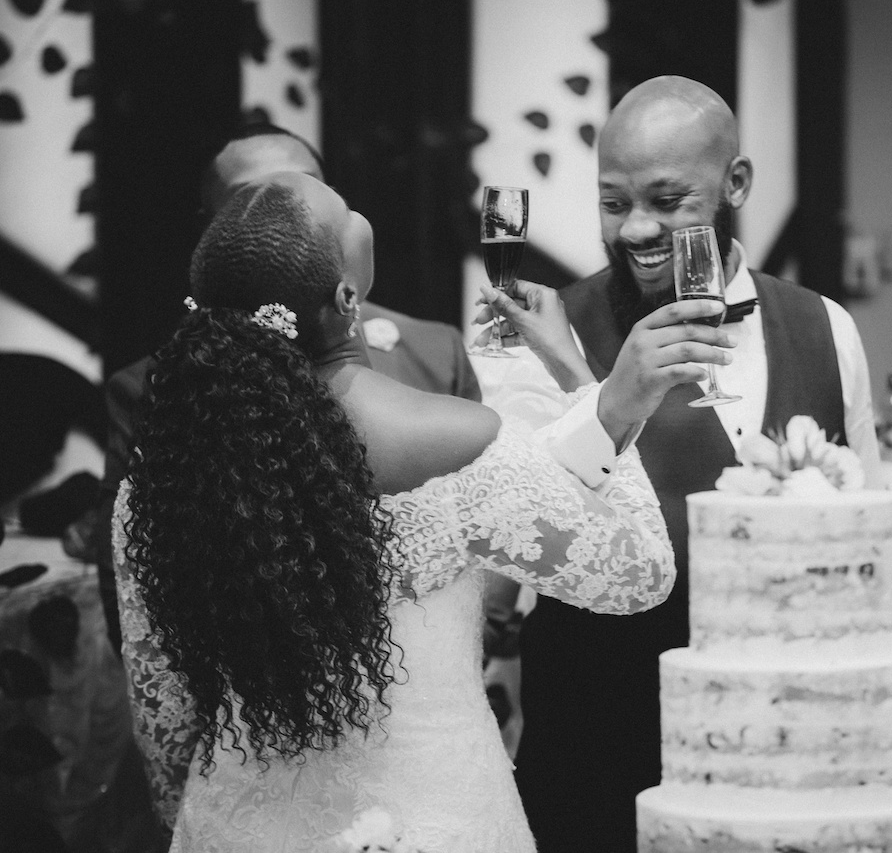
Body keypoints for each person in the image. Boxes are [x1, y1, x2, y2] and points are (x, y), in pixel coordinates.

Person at [111, 171, 731, 850]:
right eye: (345, 210)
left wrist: (205, 819)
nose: (358, 210)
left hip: (238, 825)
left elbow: (163, 713)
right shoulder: (456, 442)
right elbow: (640, 572)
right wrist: (590, 387)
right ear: (348, 296)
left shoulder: (159, 483)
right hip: (437, 818)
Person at [509, 75, 883, 853]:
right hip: (597, 736)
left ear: (735, 183)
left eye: (668, 200)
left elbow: (865, 542)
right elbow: (519, 543)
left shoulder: (826, 328)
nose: (636, 228)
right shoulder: (542, 330)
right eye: (614, 202)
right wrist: (605, 400)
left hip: (780, 744)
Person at [93, 124, 481, 655]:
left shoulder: (436, 352)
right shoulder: (150, 388)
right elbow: (137, 596)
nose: (284, 208)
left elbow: (492, 532)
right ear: (216, 233)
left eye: (304, 187)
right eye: (251, 200)